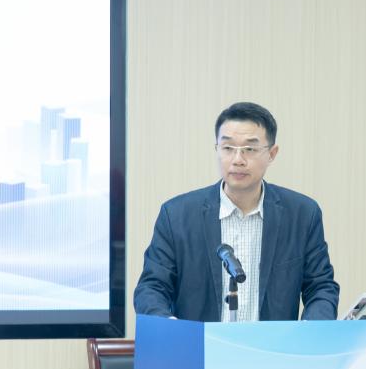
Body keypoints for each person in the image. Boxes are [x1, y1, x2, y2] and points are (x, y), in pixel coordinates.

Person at [133, 101, 339, 322]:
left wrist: (311, 329)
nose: (238, 160)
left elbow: (321, 287)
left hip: (272, 344)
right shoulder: (176, 216)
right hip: (198, 343)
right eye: (228, 148)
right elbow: (151, 288)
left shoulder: (302, 215)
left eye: (250, 149)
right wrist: (171, 328)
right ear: (217, 150)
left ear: (272, 154)